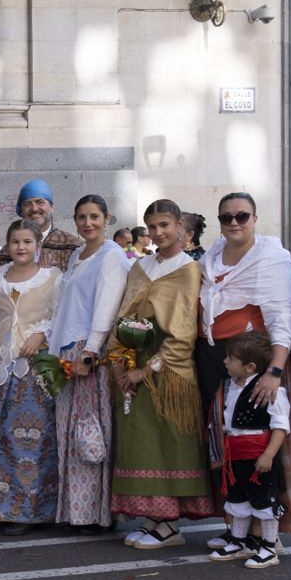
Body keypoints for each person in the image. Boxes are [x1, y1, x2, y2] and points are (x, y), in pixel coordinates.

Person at [197, 192, 291, 543]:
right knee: (227, 444)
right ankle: (235, 527)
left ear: (255, 218)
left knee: (260, 447)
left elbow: (283, 320)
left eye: (242, 216)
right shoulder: (213, 256)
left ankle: (268, 533)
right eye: (226, 217)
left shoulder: (270, 259)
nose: (234, 223)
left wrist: (274, 372)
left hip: (254, 366)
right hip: (217, 362)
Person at [108, 200, 212, 549]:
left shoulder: (189, 269)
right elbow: (125, 314)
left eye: (164, 225)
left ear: (181, 224)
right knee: (142, 444)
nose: (157, 233)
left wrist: (145, 371)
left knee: (169, 445)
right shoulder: (141, 267)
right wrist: (121, 359)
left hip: (167, 367)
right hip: (136, 356)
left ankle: (169, 525)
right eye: (151, 227)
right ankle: (154, 520)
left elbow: (183, 330)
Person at [0, 221, 61, 534]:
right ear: (8, 245)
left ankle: (33, 509)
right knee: (2, 438)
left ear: (38, 244)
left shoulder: (52, 277)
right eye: (15, 242)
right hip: (3, 371)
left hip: (36, 373)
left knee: (35, 442)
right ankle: (1, 506)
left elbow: (61, 316)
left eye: (27, 241)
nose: (21, 247)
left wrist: (41, 334)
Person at [46, 194, 127, 533]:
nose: (88, 223)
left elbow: (107, 307)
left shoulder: (111, 256)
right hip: (67, 351)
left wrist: (91, 351)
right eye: (82, 217)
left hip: (87, 352)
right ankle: (75, 510)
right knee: (70, 433)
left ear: (107, 219)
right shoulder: (79, 254)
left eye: (95, 216)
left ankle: (95, 513)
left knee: (89, 432)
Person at [208, 331, 290, 569]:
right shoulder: (228, 386)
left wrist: (268, 455)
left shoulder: (272, 392)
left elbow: (280, 427)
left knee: (264, 501)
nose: (225, 362)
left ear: (249, 366)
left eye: (230, 358)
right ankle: (238, 541)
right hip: (235, 455)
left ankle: (268, 547)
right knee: (238, 499)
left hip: (259, 456)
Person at [0, 179, 82, 297]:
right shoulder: (5, 253)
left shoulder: (72, 247)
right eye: (27, 204)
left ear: (52, 207)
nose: (34, 208)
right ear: (21, 211)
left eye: (40, 202)